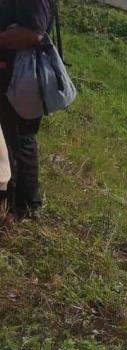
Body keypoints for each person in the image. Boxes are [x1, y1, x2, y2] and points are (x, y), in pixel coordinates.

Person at [0, 0, 52, 219]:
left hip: (19, 78)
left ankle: (18, 208)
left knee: (17, 139)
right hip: (11, 75)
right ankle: (24, 203)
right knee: (16, 138)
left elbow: (33, 33)